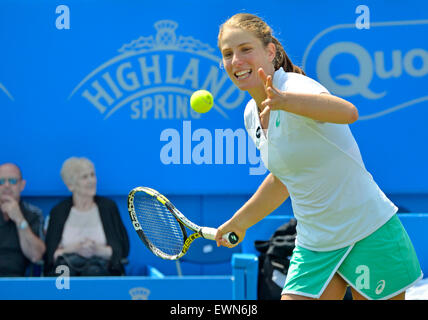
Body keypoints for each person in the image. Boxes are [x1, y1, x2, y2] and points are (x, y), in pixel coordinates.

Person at [214, 13, 422, 300]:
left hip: (368, 233)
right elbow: (282, 180)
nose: (236, 60)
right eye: (227, 54)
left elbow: (348, 112)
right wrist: (240, 221)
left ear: (270, 51)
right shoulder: (251, 114)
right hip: (314, 245)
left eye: (245, 49)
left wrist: (286, 103)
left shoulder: (295, 87)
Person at [44, 157, 129, 276]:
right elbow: (50, 255)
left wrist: (98, 250)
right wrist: (74, 249)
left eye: (92, 175)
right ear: (70, 185)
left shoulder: (108, 207)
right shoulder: (58, 212)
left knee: (93, 272)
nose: (91, 181)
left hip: (103, 272)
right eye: (84, 177)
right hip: (67, 273)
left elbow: (123, 250)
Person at [0, 163, 46, 276]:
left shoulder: (33, 214)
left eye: (12, 181)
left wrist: (19, 219)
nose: (6, 185)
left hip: (18, 282)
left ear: (22, 185)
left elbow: (36, 256)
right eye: (1, 181)